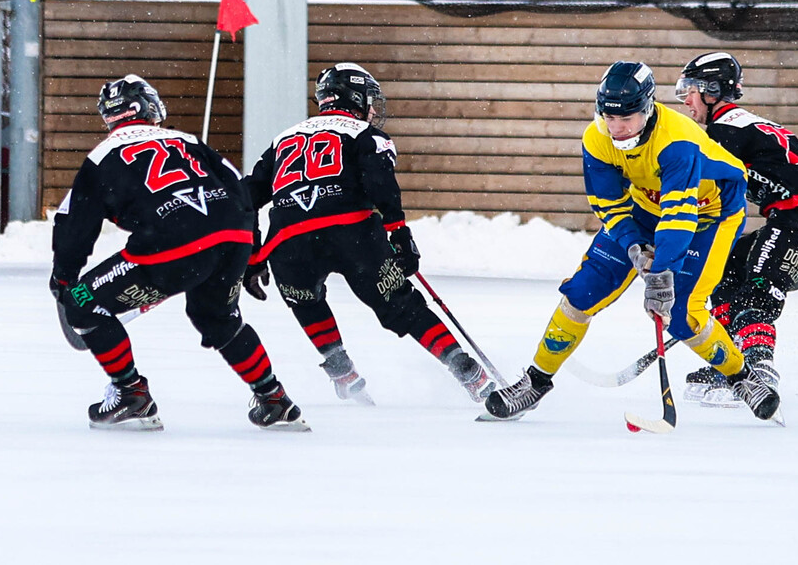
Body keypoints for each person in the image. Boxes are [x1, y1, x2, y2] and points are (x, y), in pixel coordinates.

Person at [482, 60, 781, 422]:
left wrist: (662, 274)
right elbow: (608, 203)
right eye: (609, 117)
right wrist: (634, 247)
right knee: (583, 291)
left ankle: (742, 377)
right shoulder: (597, 139)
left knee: (682, 315)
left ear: (648, 108)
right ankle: (535, 381)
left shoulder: (677, 141)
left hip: (710, 213)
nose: (617, 128)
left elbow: (679, 214)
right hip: (645, 206)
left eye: (627, 118)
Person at [50, 75, 308, 431]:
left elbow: (73, 224)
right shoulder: (188, 140)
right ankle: (274, 399)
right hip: (232, 237)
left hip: (173, 241)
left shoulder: (101, 157)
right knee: (217, 316)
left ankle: (131, 394)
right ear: (149, 107)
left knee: (81, 303)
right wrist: (252, 254)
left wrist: (63, 279)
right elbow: (241, 190)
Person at [242, 62, 494, 405]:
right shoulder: (364, 133)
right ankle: (469, 373)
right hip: (351, 233)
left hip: (288, 241)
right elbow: (380, 183)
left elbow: (246, 198)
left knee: (306, 301)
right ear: (354, 97)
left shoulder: (283, 138)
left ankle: (342, 373)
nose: (373, 110)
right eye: (370, 100)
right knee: (402, 306)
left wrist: (253, 254)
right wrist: (399, 234)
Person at [675, 52, 798, 405]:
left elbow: (707, 195)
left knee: (756, 290)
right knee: (726, 270)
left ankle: (757, 369)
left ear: (712, 91)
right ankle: (729, 361)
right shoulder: (746, 124)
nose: (686, 100)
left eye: (691, 90)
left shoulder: (723, 131)